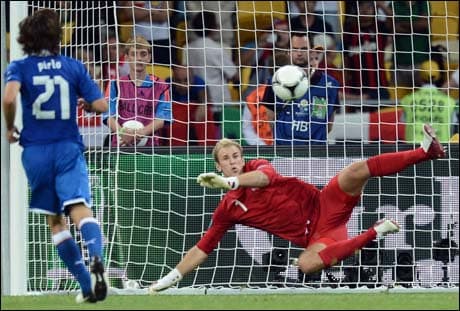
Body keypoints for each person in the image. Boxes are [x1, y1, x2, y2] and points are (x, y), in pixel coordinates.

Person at [148, 123, 445, 292]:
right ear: (217, 165)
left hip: (324, 203)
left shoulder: (256, 166)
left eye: (236, 155)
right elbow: (204, 246)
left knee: (356, 170)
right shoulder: (228, 208)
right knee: (306, 265)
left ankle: (423, 151)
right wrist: (170, 279)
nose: (233, 161)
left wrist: (231, 183)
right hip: (318, 235)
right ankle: (375, 233)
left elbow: (267, 177)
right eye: (226, 158)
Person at [2, 9, 108, 303]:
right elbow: (100, 103)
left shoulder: (19, 67)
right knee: (80, 208)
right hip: (67, 147)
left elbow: (9, 97)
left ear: (26, 39)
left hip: (35, 151)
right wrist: (88, 104)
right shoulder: (72, 66)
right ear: (57, 36)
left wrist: (10, 127)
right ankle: (97, 257)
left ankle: (86, 285)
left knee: (56, 222)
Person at [261, 32, 340, 145]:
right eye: (295, 49)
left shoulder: (331, 85)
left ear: (312, 51)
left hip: (317, 156)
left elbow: (329, 126)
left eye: (303, 49)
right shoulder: (275, 81)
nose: (299, 53)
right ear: (288, 52)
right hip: (284, 155)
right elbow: (271, 120)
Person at [103, 35, 172, 147]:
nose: (139, 58)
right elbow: (107, 116)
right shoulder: (114, 85)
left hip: (150, 148)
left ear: (149, 57)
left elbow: (162, 119)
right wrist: (122, 133)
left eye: (143, 54)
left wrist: (140, 134)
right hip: (120, 145)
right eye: (134, 54)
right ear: (126, 57)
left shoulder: (161, 86)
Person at [342, 1, 392, 112]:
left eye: (369, 6)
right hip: (356, 89)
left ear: (374, 9)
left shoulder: (380, 27)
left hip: (379, 87)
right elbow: (346, 60)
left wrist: (381, 5)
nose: (365, 9)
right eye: (361, 6)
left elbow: (393, 20)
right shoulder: (349, 31)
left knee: (382, 124)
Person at [400, 60, 457, 143]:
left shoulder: (408, 100)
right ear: (438, 77)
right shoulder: (449, 102)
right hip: (440, 149)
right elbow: (452, 125)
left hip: (414, 149)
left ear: (420, 77)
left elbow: (404, 123)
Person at [164, 64, 219, 146]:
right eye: (178, 81)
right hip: (176, 114)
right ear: (173, 79)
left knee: (206, 114)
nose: (182, 85)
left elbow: (206, 101)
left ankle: (207, 148)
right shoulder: (166, 84)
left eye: (186, 80)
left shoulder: (199, 83)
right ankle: (176, 151)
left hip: (193, 113)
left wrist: (203, 106)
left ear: (193, 79)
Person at [118, 1, 174, 65]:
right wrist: (152, 11)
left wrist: (140, 14)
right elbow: (130, 14)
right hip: (138, 39)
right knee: (138, 70)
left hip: (162, 39)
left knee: (162, 71)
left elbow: (163, 16)